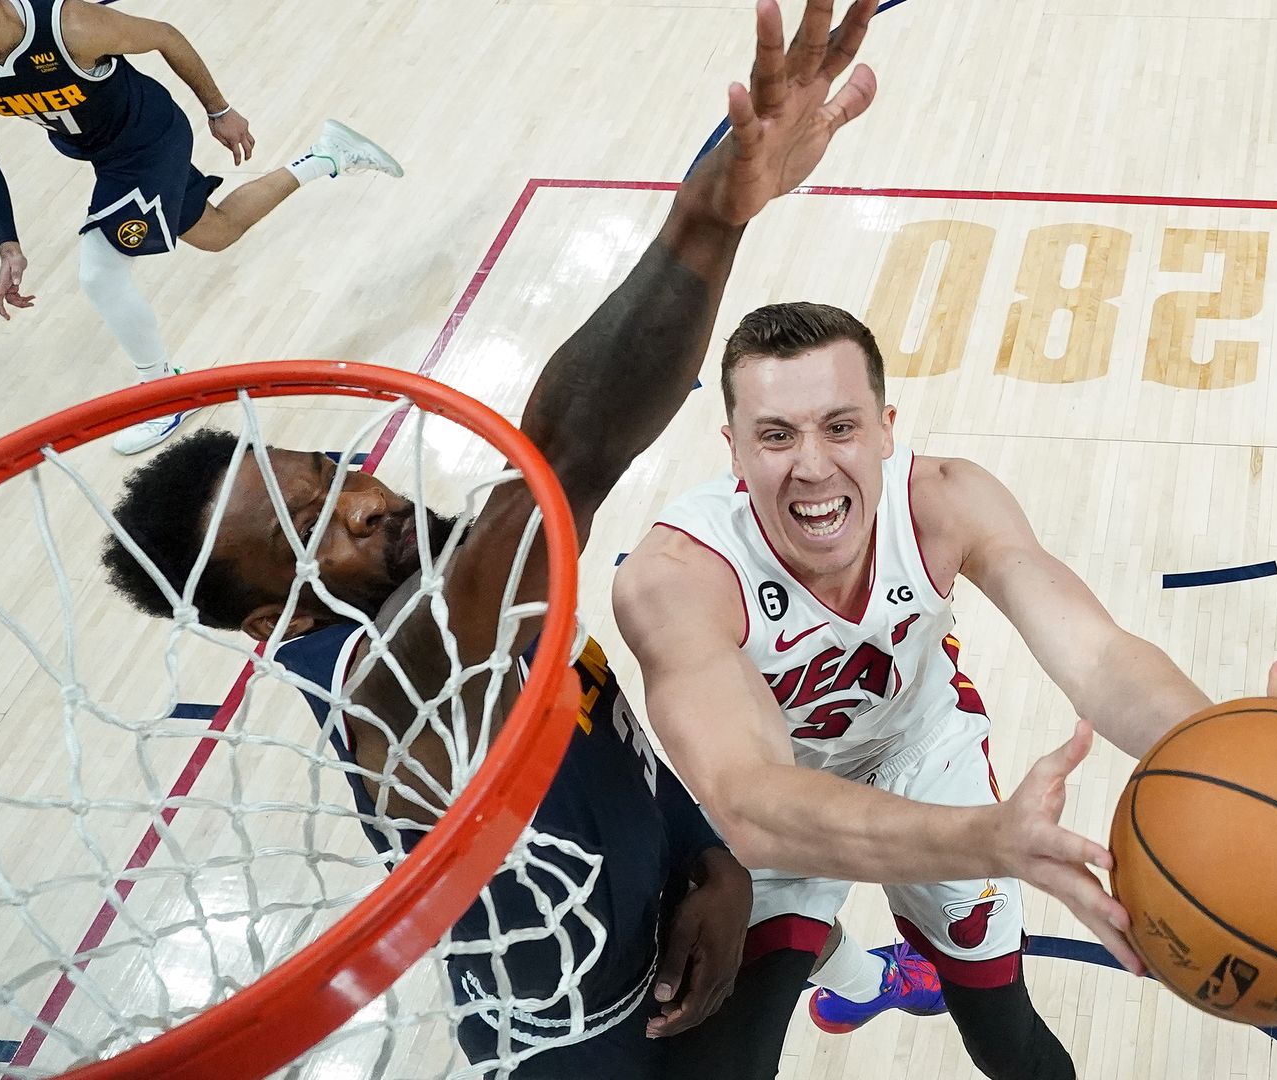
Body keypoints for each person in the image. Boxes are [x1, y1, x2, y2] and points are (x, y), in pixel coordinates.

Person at [98, 1, 881, 1073]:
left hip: (672, 934)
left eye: (331, 474)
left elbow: (608, 734)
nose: (364, 502)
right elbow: (561, 459)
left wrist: (709, 858)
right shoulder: (391, 682)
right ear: (274, 616)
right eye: (314, 529)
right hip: (577, 1046)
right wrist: (709, 221)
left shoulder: (444, 573)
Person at [613, 301, 1277, 1079]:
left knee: (1005, 1033)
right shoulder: (675, 580)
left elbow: (1097, 655)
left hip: (921, 749)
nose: (811, 466)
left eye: (841, 427)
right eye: (776, 435)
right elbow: (752, 804)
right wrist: (990, 838)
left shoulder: (944, 501)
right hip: (782, 798)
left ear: (885, 429)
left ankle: (891, 969)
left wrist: (1230, 749)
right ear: (732, 450)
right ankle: (872, 975)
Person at [0, 0, 402, 454]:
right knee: (216, 232)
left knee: (100, 272)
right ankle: (329, 155)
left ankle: (164, 392)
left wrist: (219, 110)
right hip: (97, 151)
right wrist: (6, 243)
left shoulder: (67, 24)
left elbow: (165, 35)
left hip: (147, 138)